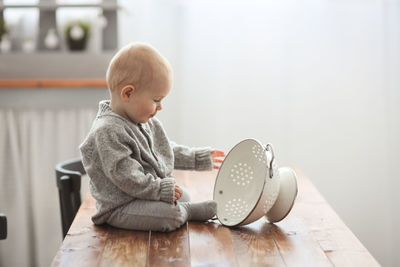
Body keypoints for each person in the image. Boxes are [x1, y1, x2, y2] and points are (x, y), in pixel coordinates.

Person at [80, 42, 225, 232]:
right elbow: (127, 177)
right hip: (120, 205)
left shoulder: (142, 120)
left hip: (142, 195)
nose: (160, 107)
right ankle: (186, 212)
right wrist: (159, 189)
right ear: (128, 93)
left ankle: (184, 208)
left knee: (184, 196)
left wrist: (196, 158)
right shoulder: (107, 131)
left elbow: (162, 151)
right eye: (156, 100)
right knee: (171, 216)